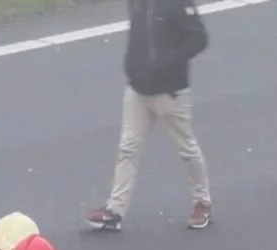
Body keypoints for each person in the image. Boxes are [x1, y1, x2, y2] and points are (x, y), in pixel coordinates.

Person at [83, 0, 212, 232]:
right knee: (128, 148)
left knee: (186, 149)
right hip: (137, 89)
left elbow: (199, 39)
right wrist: (131, 65)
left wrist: (167, 61)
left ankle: (202, 202)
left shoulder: (177, 3)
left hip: (170, 91)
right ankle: (115, 211)